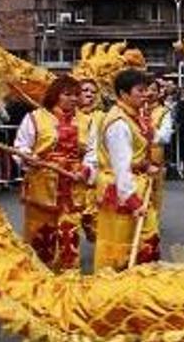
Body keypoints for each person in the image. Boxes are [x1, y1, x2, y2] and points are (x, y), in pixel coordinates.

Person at [13, 75, 94, 272]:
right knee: (41, 234)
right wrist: (27, 157)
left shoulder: (87, 122)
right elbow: (21, 145)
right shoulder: (35, 118)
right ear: (55, 95)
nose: (73, 99)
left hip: (73, 186)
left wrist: (85, 170)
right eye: (68, 94)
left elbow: (93, 151)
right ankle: (39, 276)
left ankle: (68, 277)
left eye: (76, 95)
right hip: (42, 185)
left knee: (69, 234)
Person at [92, 69, 162, 271]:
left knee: (144, 239)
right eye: (140, 90)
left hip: (135, 185)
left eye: (146, 90)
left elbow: (136, 155)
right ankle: (118, 288)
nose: (146, 94)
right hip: (122, 190)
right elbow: (121, 166)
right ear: (123, 94)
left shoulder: (132, 117)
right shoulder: (119, 124)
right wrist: (132, 200)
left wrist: (146, 165)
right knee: (122, 244)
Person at [75, 78, 105, 242]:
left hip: (93, 172)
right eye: (85, 90)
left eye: (93, 92)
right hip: (70, 172)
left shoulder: (101, 117)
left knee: (93, 219)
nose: (89, 95)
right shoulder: (68, 115)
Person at [146, 77, 174, 217]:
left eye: (153, 90)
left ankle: (153, 219)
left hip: (155, 155)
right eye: (147, 89)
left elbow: (165, 136)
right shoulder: (136, 109)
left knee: (155, 189)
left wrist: (149, 132)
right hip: (137, 157)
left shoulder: (164, 112)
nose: (150, 93)